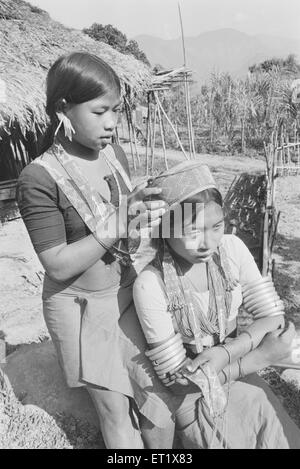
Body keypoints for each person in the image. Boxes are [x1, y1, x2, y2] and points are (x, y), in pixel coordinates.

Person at [16, 52, 172, 449]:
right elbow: (56, 264)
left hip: (124, 293)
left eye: (115, 110)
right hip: (78, 305)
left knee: (155, 395)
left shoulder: (112, 154)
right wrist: (116, 224)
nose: (112, 123)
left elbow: (125, 222)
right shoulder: (39, 177)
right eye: (100, 111)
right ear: (64, 108)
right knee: (115, 411)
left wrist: (142, 214)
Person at [132, 160, 300, 449]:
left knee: (277, 432)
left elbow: (274, 320)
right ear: (164, 229)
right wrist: (258, 358)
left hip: (239, 371)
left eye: (217, 226)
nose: (208, 242)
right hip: (191, 397)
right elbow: (178, 381)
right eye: (193, 231)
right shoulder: (150, 284)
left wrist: (228, 352)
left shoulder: (232, 249)